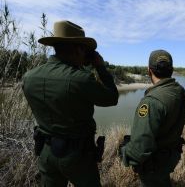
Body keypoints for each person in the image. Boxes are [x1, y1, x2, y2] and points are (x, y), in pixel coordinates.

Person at [22, 20, 118, 187]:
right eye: (84, 49)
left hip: (45, 151)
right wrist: (100, 67)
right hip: (77, 156)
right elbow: (111, 98)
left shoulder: (29, 77)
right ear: (78, 48)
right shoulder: (81, 79)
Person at [120, 50, 185, 187]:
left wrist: (125, 153)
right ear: (172, 70)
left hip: (154, 165)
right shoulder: (181, 92)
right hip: (170, 156)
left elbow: (141, 148)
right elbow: (184, 120)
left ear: (149, 70)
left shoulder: (151, 102)